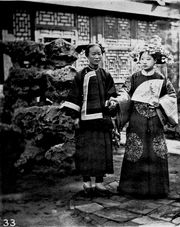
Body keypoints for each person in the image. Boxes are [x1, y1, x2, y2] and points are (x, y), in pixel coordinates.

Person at [112, 36, 178, 198]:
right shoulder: (133, 78)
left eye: (148, 59)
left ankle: (157, 189)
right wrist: (117, 101)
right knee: (136, 150)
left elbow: (172, 96)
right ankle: (132, 189)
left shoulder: (161, 79)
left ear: (155, 60)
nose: (144, 62)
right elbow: (124, 94)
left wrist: (160, 102)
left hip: (155, 119)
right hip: (137, 120)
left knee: (155, 151)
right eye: (142, 59)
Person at [61, 43, 118, 195]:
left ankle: (99, 182)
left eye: (99, 54)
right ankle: (87, 182)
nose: (97, 57)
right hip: (85, 121)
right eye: (93, 54)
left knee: (101, 150)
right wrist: (75, 117)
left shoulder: (106, 75)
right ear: (87, 56)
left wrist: (112, 102)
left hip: (102, 119)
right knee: (86, 151)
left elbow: (112, 94)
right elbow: (74, 97)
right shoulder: (80, 75)